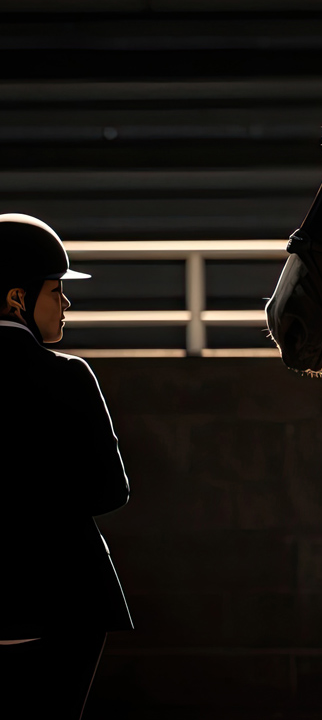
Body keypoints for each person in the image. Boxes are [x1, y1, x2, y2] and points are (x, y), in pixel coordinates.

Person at [0, 213, 132, 718]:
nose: (66, 302)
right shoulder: (70, 376)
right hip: (65, 596)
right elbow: (110, 492)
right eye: (56, 289)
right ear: (18, 298)